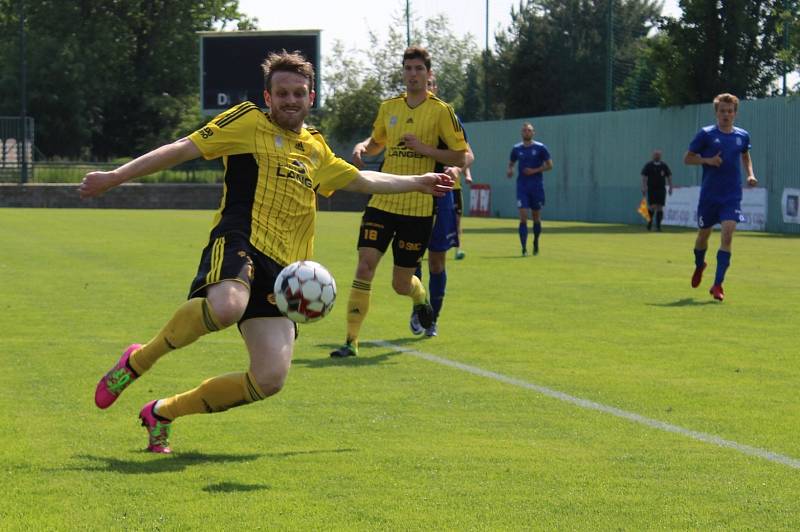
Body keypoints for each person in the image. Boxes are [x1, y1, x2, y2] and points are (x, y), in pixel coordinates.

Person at [79, 51, 452, 454]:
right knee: (226, 306)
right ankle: (137, 362)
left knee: (269, 379)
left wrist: (418, 180)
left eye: (298, 93)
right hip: (241, 239)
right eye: (282, 93)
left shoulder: (315, 149)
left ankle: (162, 412)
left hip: (286, 273)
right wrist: (116, 177)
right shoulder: (245, 121)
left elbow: (361, 178)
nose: (290, 100)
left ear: (311, 97)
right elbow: (183, 148)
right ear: (268, 97)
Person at [329, 46, 468, 357]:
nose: (413, 74)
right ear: (403, 72)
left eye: (419, 69)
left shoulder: (441, 111)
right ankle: (350, 341)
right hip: (383, 198)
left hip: (418, 207)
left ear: (429, 74)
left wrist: (425, 149)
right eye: (408, 68)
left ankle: (420, 298)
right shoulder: (388, 107)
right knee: (365, 267)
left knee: (400, 283)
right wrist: (364, 146)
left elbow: (461, 155)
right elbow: (378, 142)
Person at [410, 75, 475, 337]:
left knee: (437, 262)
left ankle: (433, 317)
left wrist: (457, 168)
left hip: (441, 196)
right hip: (412, 195)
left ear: (434, 88)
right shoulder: (407, 116)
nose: (427, 87)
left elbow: (468, 154)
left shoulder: (449, 118)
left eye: (431, 84)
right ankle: (419, 305)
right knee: (410, 260)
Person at [684, 92, 757, 302]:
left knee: (727, 235)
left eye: (730, 111)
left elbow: (745, 155)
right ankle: (700, 265)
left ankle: (717, 284)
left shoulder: (742, 135)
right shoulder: (706, 134)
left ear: (735, 113)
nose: (726, 114)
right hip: (709, 195)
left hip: (732, 195)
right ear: (716, 112)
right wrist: (707, 160)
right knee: (703, 236)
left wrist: (751, 174)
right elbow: (687, 159)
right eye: (722, 111)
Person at [506, 122, 553, 256]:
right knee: (523, 217)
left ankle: (536, 242)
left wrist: (535, 170)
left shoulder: (540, 148)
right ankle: (524, 248)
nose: (526, 132)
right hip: (522, 186)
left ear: (533, 133)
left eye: (529, 130)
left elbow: (550, 165)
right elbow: (511, 162)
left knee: (536, 217)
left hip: (537, 186)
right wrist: (510, 170)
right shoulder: (516, 148)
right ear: (521, 133)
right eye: (524, 130)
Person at [640, 150, 673, 231]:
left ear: (660, 156)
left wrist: (671, 187)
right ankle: (649, 224)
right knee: (652, 206)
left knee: (660, 207)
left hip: (661, 189)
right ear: (652, 156)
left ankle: (658, 226)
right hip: (651, 188)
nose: (657, 156)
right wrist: (644, 187)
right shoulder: (649, 165)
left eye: (658, 155)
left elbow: (669, 176)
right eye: (655, 155)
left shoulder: (664, 165)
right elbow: (644, 177)